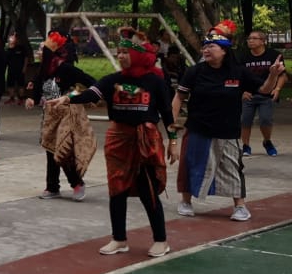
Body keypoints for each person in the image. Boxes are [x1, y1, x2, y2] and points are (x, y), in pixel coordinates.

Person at [59, 29, 178, 257]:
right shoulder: (114, 80)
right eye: (119, 52)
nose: (120, 56)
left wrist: (173, 142)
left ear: (140, 55)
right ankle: (119, 239)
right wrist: (68, 99)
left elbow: (167, 112)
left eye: (126, 52)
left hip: (146, 141)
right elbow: (93, 94)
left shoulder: (155, 80)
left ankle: (161, 240)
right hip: (118, 140)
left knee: (147, 190)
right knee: (117, 190)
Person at [173, 20, 285, 221]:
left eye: (211, 46)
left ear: (224, 51)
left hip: (229, 131)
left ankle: (240, 206)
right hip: (198, 129)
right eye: (204, 46)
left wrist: (273, 75)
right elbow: (178, 98)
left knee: (233, 169)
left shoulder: (238, 72)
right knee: (192, 165)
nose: (206, 50)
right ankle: (186, 201)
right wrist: (171, 127)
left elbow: (264, 90)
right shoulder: (194, 72)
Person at [26, 30, 97, 200]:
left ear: (50, 53)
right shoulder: (43, 70)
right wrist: (31, 99)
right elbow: (36, 87)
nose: (38, 52)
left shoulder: (65, 69)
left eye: (41, 50)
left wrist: (71, 96)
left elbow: (92, 83)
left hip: (67, 113)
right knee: (50, 149)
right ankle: (52, 187)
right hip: (50, 115)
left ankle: (77, 183)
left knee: (62, 150)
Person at [240, 30, 285, 157]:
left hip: (267, 94)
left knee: (265, 120)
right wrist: (242, 91)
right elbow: (237, 76)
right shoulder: (242, 57)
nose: (250, 41)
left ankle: (267, 141)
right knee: (245, 120)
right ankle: (246, 146)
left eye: (254, 38)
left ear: (263, 41)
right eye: (249, 38)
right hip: (249, 94)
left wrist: (277, 89)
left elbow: (282, 75)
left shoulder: (274, 56)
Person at [4, 32, 32, 104]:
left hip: (20, 69)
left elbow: (26, 58)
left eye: (14, 37)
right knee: (10, 85)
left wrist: (24, 67)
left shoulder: (21, 48)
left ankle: (21, 98)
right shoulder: (9, 49)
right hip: (11, 69)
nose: (12, 38)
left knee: (21, 85)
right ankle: (11, 98)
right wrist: (10, 47)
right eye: (11, 37)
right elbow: (6, 59)